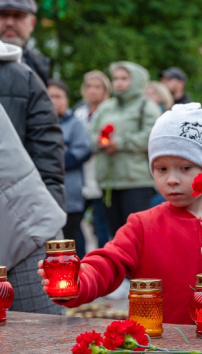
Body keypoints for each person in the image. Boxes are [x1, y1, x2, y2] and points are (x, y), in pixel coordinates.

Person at [38, 104, 202, 326]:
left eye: (185, 168)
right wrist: (79, 280)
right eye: (161, 169)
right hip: (156, 346)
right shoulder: (142, 226)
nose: (172, 180)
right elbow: (108, 263)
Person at [0, 102, 65, 315]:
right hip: (24, 219)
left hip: (21, 229)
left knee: (42, 340)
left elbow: (48, 148)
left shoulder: (23, 76)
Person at [89, 61, 162, 236]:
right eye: (115, 78)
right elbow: (91, 134)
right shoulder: (106, 107)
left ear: (136, 81)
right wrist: (100, 142)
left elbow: (153, 136)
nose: (118, 82)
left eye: (124, 78)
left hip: (136, 181)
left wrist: (120, 143)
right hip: (109, 182)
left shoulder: (147, 106)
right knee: (116, 236)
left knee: (138, 234)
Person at [0, 40, 65, 211]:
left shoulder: (24, 77)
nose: (9, 23)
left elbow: (46, 155)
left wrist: (51, 215)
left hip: (12, 208)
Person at [47, 79, 92, 248]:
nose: (53, 101)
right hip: (44, 191)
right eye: (50, 96)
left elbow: (83, 150)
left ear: (66, 99)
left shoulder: (75, 123)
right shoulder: (37, 123)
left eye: (58, 96)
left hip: (69, 190)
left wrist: (54, 163)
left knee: (70, 237)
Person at [74, 70, 112, 252]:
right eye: (89, 86)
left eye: (97, 87)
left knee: (101, 223)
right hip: (80, 173)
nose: (93, 91)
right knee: (74, 220)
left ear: (105, 90)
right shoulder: (79, 112)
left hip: (101, 173)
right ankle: (80, 260)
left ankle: (104, 265)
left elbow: (104, 140)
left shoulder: (109, 111)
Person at [0, 0, 50, 84]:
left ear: (32, 23)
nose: (9, 23)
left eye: (18, 16)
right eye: (3, 15)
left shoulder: (39, 67)